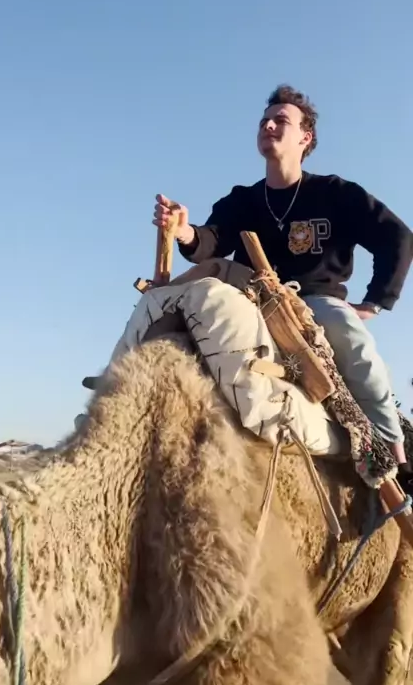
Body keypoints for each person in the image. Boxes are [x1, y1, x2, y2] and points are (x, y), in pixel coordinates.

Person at [153, 84, 413, 476]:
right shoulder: (243, 200)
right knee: (174, 312)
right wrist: (184, 231)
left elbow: (398, 238)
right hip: (249, 296)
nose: (268, 126)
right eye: (264, 121)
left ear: (305, 137)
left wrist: (376, 301)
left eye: (280, 120)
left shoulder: (336, 194)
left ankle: (394, 456)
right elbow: (212, 240)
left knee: (353, 342)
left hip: (315, 303)